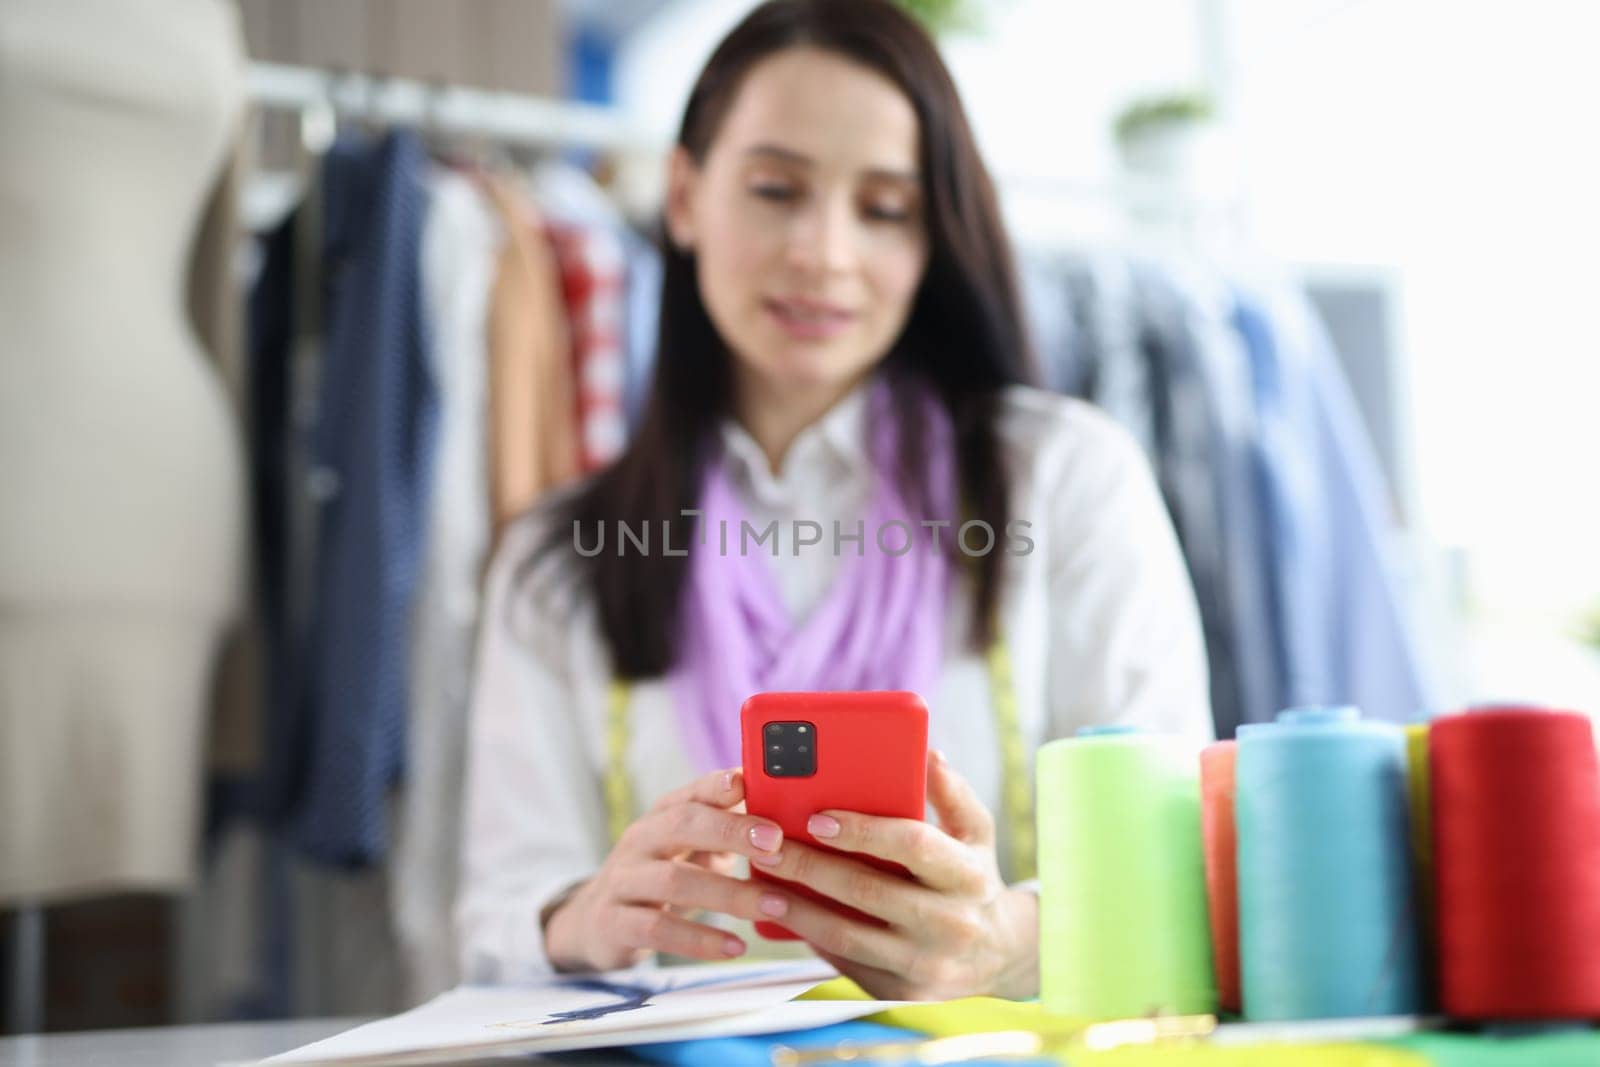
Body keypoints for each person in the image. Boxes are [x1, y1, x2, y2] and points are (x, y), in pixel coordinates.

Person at [457, 0, 1211, 1001]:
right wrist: (582, 917)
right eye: (776, 189)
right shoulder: (559, 557)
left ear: (933, 237)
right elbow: (494, 906)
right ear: (682, 194)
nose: (823, 251)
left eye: (885, 208)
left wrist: (1005, 935)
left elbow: (1169, 857)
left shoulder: (1065, 480)